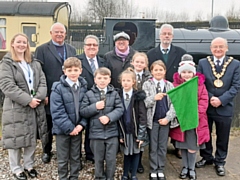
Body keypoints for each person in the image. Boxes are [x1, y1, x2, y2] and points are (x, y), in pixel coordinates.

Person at [0, 33, 48, 180]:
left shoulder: (34, 62)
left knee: (31, 137)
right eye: (19, 42)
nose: (22, 45)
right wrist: (28, 100)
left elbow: (42, 82)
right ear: (13, 44)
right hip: (16, 107)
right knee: (16, 139)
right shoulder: (7, 64)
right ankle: (16, 169)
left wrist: (37, 98)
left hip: (34, 106)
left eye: (24, 42)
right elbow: (7, 86)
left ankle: (29, 165)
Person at [195, 37, 240, 176]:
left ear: (226, 48)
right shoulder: (203, 63)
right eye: (215, 47)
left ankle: (220, 161)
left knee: (223, 136)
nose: (218, 49)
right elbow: (200, 83)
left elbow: (236, 86)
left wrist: (221, 100)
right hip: (206, 106)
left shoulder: (236, 64)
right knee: (205, 133)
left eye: (221, 47)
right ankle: (206, 157)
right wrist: (210, 98)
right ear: (211, 48)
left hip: (225, 107)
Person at [35, 22, 76, 163]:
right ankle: (46, 151)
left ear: (66, 34)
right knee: (48, 123)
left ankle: (66, 151)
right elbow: (38, 74)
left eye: (62, 32)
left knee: (66, 120)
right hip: (50, 94)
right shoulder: (41, 50)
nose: (59, 34)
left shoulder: (71, 49)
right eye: (56, 32)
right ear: (51, 33)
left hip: (68, 93)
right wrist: (44, 93)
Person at [147, 24, 186, 158]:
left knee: (175, 117)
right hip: (156, 90)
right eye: (164, 34)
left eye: (169, 34)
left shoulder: (181, 52)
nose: (166, 36)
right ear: (160, 36)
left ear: (172, 36)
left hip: (174, 90)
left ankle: (177, 145)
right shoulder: (151, 54)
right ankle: (155, 146)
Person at [169, 54, 210, 180]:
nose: (186, 75)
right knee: (183, 146)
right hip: (181, 121)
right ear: (180, 74)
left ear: (193, 73)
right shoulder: (175, 86)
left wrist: (194, 114)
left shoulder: (200, 86)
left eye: (189, 72)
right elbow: (173, 101)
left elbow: (203, 101)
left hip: (195, 121)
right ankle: (185, 167)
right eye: (184, 72)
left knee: (192, 146)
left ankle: (191, 168)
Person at [80, 67, 124, 180]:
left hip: (112, 133)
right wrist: (95, 107)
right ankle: (99, 177)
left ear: (110, 80)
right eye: (99, 78)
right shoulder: (88, 94)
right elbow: (83, 111)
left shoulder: (114, 94)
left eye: (105, 78)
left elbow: (120, 109)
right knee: (98, 158)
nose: (102, 80)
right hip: (96, 133)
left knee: (111, 159)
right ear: (95, 79)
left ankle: (110, 177)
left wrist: (109, 117)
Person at [50, 57, 87, 180]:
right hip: (62, 130)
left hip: (77, 128)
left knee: (76, 156)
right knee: (63, 157)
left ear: (80, 71)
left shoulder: (83, 87)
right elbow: (57, 111)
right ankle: (63, 177)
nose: (72, 73)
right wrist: (70, 128)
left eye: (75, 70)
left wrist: (81, 125)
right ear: (64, 71)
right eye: (69, 70)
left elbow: (86, 109)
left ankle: (74, 176)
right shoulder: (57, 88)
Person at [142, 60, 176, 180]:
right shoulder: (147, 84)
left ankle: (160, 168)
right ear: (151, 71)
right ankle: (153, 169)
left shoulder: (169, 85)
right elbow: (144, 102)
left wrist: (168, 118)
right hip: (153, 121)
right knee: (153, 146)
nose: (158, 72)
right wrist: (154, 98)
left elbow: (174, 104)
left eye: (161, 70)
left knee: (162, 146)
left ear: (165, 71)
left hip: (165, 121)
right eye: (155, 70)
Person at [76, 35, 105, 163]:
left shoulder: (103, 61)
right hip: (82, 99)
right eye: (89, 45)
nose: (92, 47)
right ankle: (76, 157)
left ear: (98, 48)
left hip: (99, 99)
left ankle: (91, 153)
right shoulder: (77, 60)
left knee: (94, 126)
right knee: (80, 126)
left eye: (94, 45)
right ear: (84, 47)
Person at [118, 68, 147, 180]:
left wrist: (141, 135)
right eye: (124, 80)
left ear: (133, 82)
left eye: (128, 80)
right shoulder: (118, 96)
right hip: (124, 131)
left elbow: (142, 117)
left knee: (135, 153)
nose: (126, 83)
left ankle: (134, 174)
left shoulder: (138, 97)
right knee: (126, 153)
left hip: (135, 132)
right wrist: (120, 135)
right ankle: (125, 174)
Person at [131, 52, 151, 173]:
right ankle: (130, 159)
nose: (139, 64)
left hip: (144, 108)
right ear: (132, 62)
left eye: (141, 62)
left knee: (142, 133)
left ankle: (139, 161)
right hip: (131, 107)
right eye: (137, 62)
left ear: (145, 64)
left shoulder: (149, 77)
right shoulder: (128, 74)